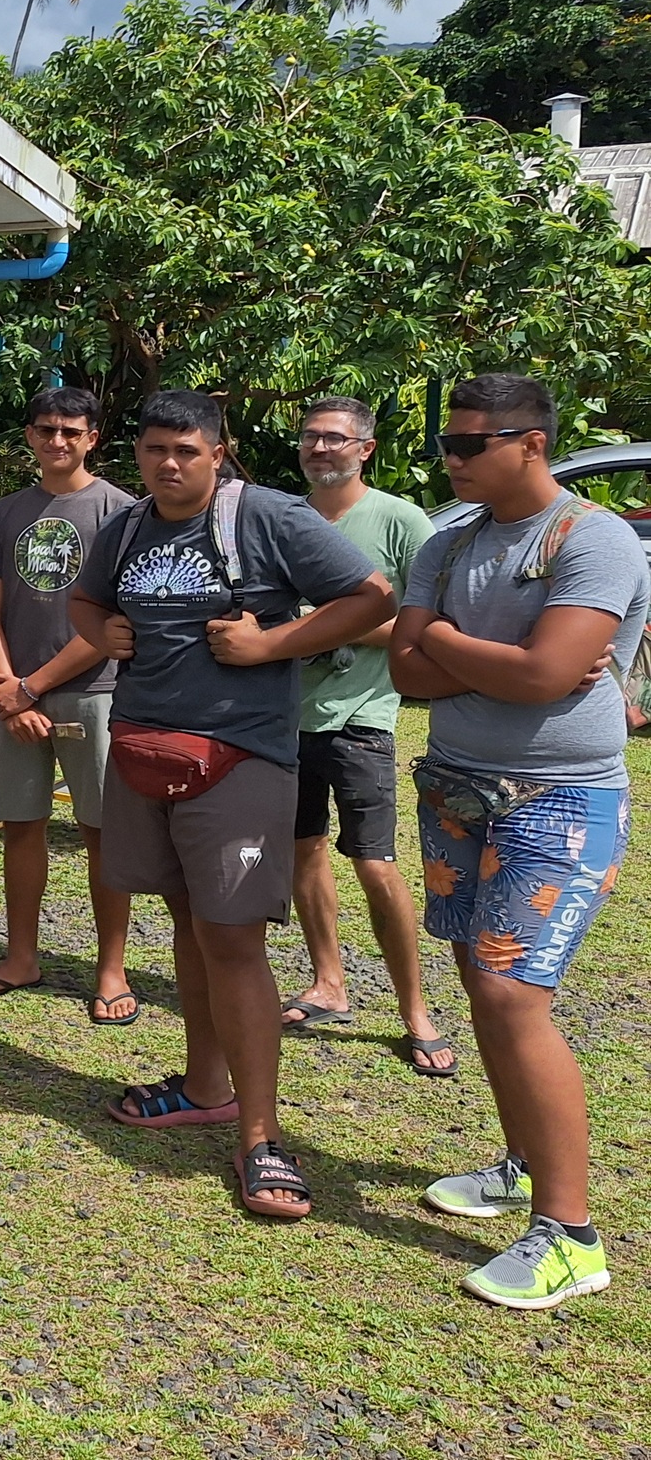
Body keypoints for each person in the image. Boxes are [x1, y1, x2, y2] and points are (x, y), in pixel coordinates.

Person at [70, 389, 394, 1223]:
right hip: (147, 749)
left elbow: (371, 597)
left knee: (234, 940)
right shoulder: (130, 525)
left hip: (239, 757)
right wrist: (102, 631)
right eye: (154, 451)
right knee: (186, 920)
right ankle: (205, 1085)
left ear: (218, 451)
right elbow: (85, 600)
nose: (169, 464)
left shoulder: (270, 517)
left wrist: (272, 644)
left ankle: (261, 1137)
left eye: (185, 450)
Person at [395, 374, 647, 1309]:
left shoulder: (595, 538)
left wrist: (455, 647)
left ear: (530, 442)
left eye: (468, 445)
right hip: (456, 787)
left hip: (561, 798)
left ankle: (570, 1235)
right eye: (448, 445)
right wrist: (499, 662)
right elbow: (404, 667)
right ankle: (518, 1161)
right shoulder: (451, 538)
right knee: (478, 978)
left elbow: (546, 675)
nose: (450, 459)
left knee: (510, 990)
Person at [280, 396, 452, 1076]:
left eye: (335, 439)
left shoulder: (401, 519)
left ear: (365, 448)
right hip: (284, 717)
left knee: (375, 864)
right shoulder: (284, 518)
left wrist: (323, 626)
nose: (321, 448)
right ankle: (329, 983)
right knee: (302, 852)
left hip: (363, 719)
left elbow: (423, 622)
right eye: (311, 438)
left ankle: (415, 1010)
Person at [0, 386, 137, 1021]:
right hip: (14, 695)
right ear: (30, 435)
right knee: (20, 826)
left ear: (92, 437)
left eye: (70, 431)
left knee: (101, 834)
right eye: (45, 430)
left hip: (96, 695)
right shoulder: (9, 512)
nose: (57, 441)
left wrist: (31, 688)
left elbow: (115, 623)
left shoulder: (122, 512)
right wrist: (9, 688)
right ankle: (21, 956)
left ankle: (111, 969)